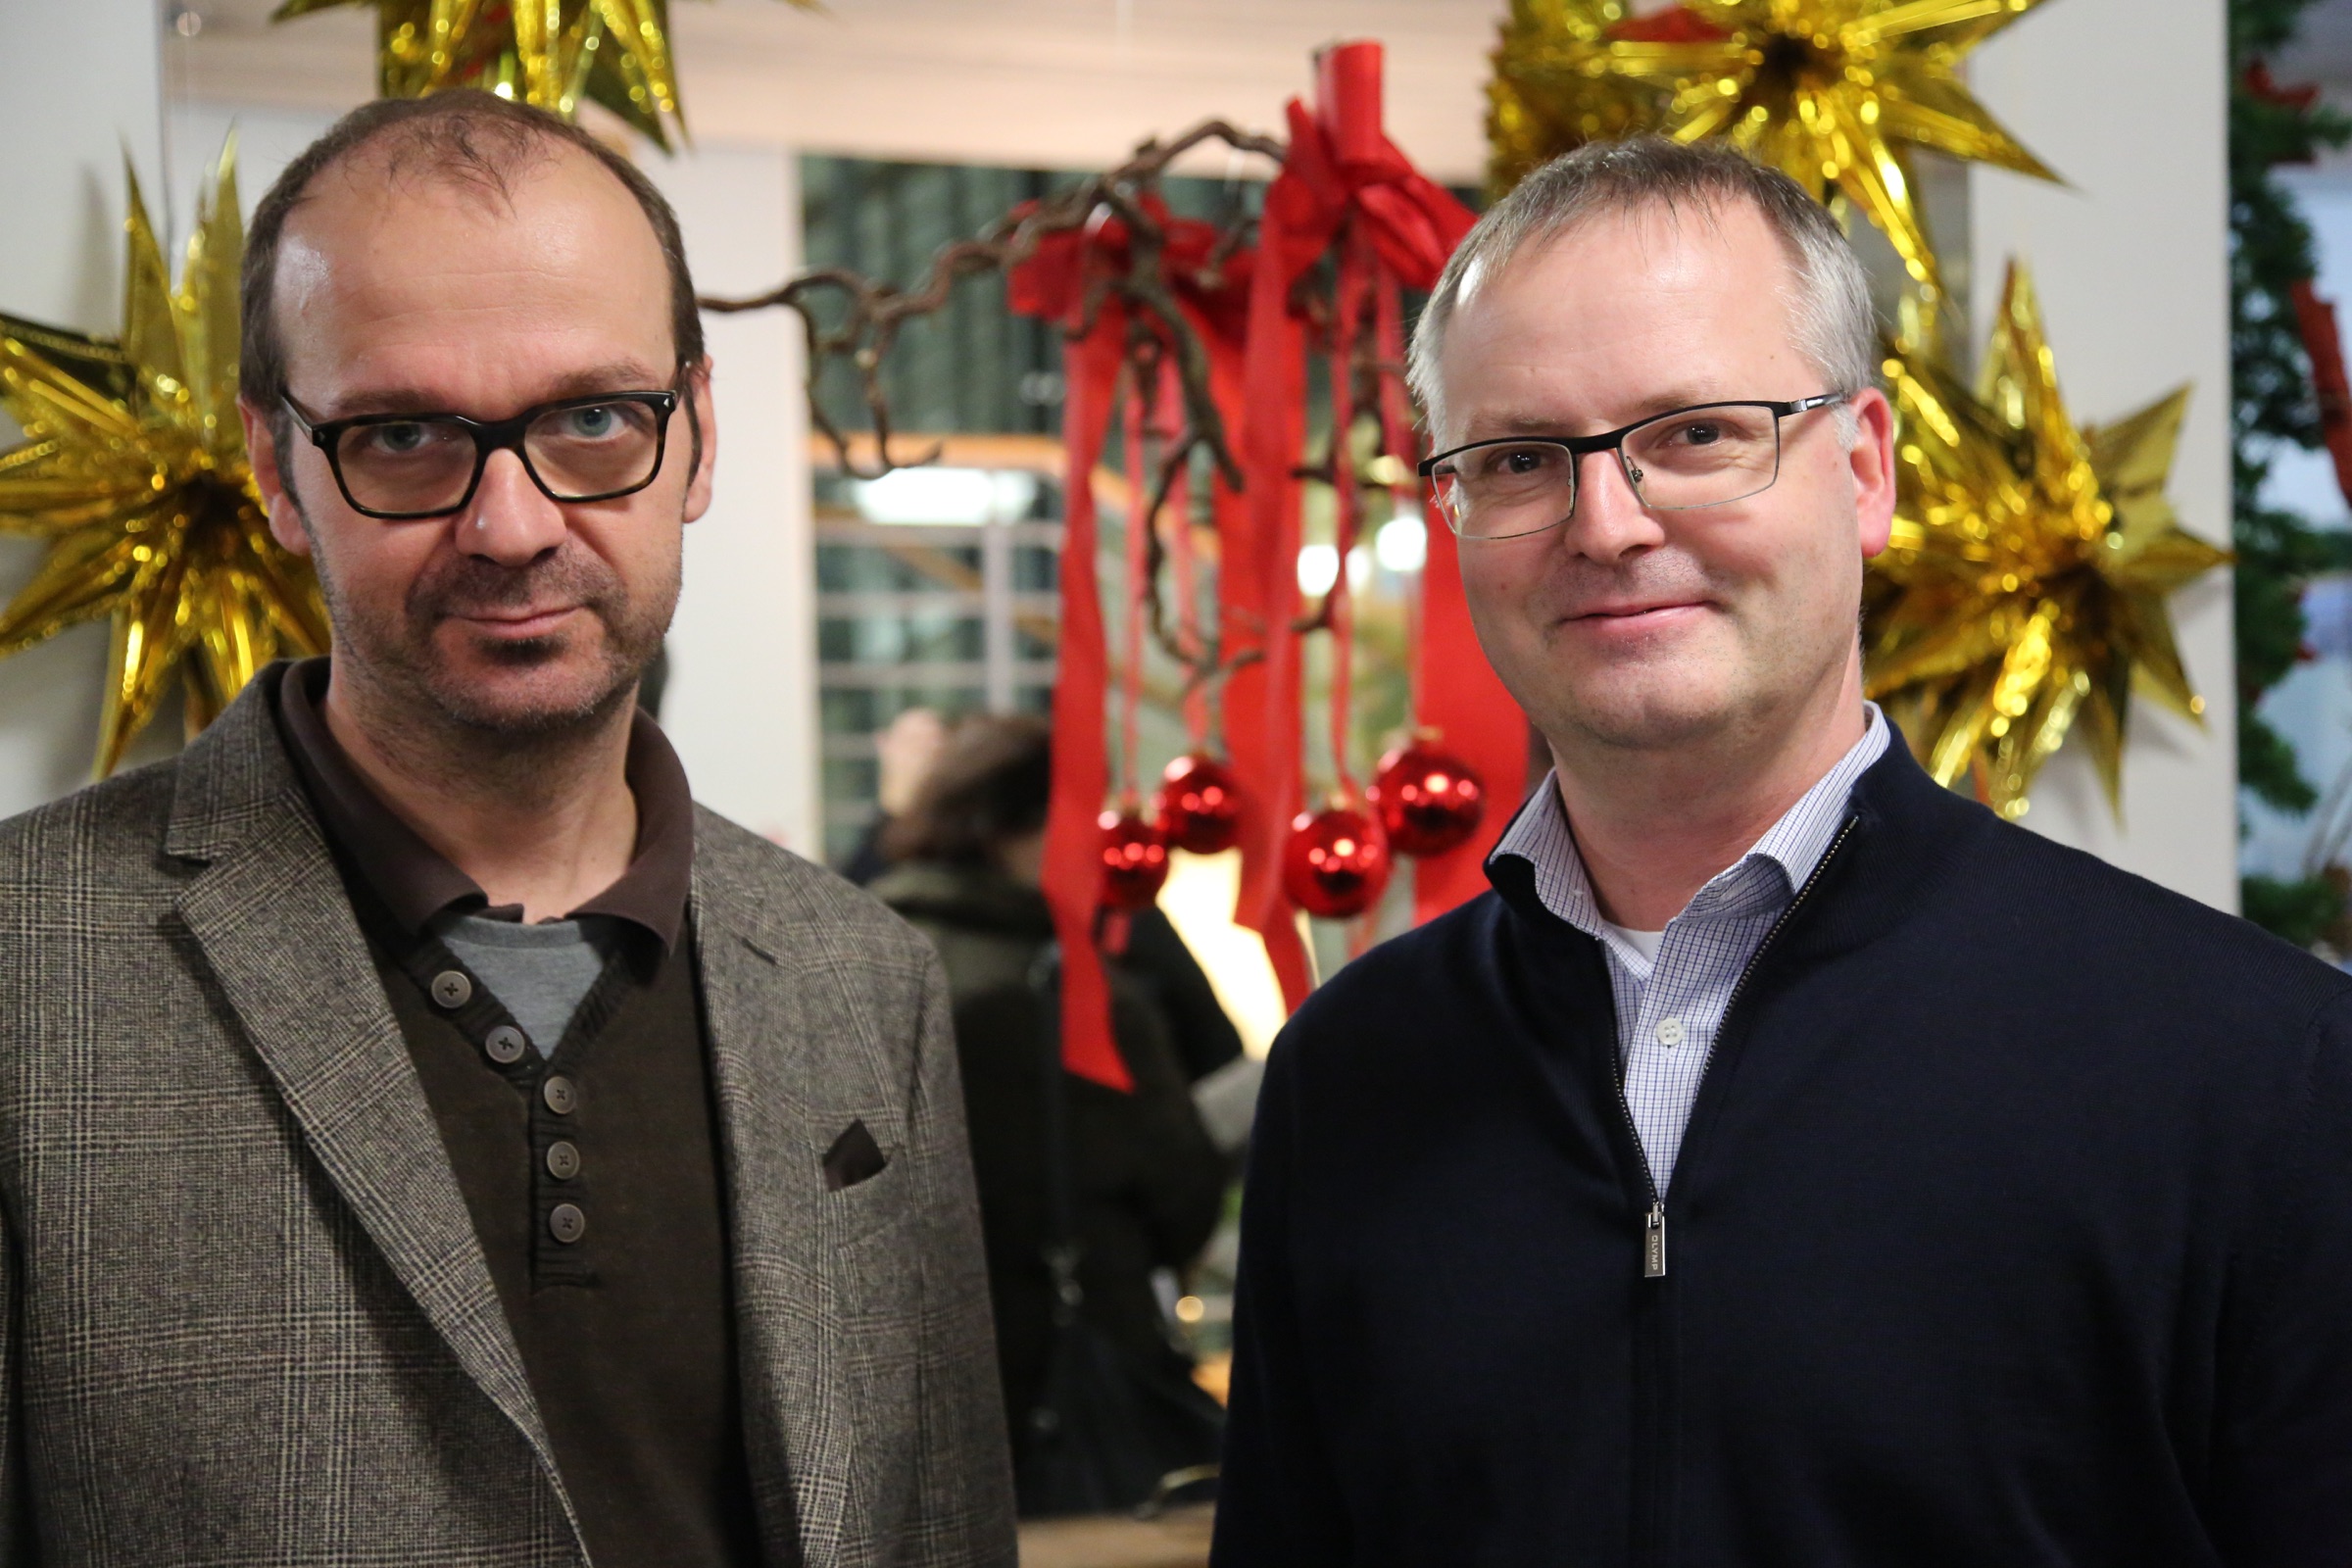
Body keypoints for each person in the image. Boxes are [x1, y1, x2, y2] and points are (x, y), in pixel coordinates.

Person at [1211, 137, 2352, 1565]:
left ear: (1864, 470)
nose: (1608, 524)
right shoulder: (1355, 1075)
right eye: (1517, 459)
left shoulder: (2255, 1069)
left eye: (1698, 434)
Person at [0, 92, 1012, 1565]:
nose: (513, 524)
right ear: (279, 469)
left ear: (698, 433)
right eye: (404, 434)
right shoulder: (24, 969)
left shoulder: (865, 978)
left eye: (592, 418)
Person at [868, 716, 1233, 1509]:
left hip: (894, 1396)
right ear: (1017, 829)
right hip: (1066, 1391)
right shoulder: (1081, 997)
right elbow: (1182, 1200)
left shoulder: (853, 958)